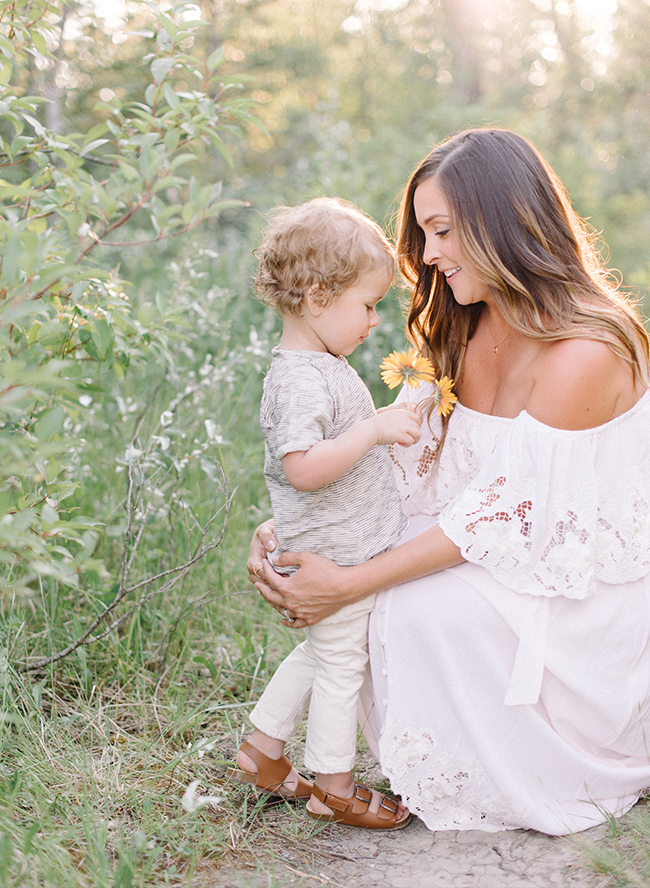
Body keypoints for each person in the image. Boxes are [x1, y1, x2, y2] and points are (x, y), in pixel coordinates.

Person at [247, 128, 650, 836]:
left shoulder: (586, 352)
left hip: (567, 587)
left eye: (441, 231)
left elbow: (500, 518)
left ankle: (523, 759)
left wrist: (347, 581)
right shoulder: (459, 328)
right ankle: (308, 754)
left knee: (401, 607)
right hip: (487, 547)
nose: (428, 255)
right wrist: (295, 533)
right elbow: (393, 470)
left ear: (504, 222)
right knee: (365, 578)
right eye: (423, 234)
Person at [231, 198, 421, 829]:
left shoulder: (318, 366)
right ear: (316, 296)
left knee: (319, 653)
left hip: (340, 539)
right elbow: (302, 467)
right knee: (343, 665)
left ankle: (262, 748)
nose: (373, 321)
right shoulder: (302, 379)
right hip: (337, 551)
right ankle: (333, 786)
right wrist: (372, 431)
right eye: (366, 305)